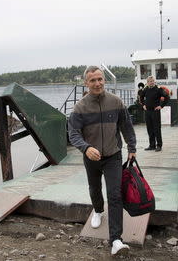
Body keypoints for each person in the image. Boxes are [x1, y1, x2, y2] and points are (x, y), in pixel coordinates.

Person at [68, 65, 137, 256]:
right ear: (86, 83)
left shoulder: (116, 102)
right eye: (93, 80)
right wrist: (86, 148)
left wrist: (132, 148)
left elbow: (126, 126)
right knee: (95, 188)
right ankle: (98, 210)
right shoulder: (80, 107)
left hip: (113, 155)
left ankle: (116, 240)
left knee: (115, 195)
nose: (97, 83)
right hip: (91, 157)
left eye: (100, 79)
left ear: (104, 80)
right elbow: (73, 134)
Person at [140, 75, 169, 152]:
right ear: (147, 82)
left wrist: (161, 106)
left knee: (157, 129)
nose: (151, 82)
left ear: (154, 82)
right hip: (147, 112)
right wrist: (143, 105)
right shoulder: (145, 89)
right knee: (149, 129)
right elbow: (141, 97)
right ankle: (152, 145)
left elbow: (167, 97)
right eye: (149, 81)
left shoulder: (158, 89)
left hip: (155, 111)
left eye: (152, 81)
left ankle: (159, 145)